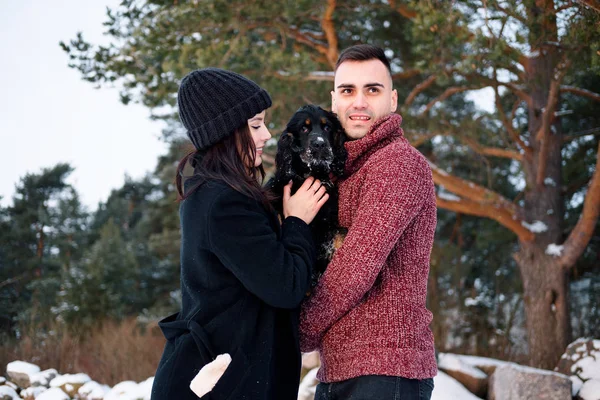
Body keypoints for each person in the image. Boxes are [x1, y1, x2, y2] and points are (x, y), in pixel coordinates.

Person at [150, 68, 329, 400]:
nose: (266, 135)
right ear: (225, 131)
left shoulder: (213, 193)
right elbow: (286, 286)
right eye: (256, 125)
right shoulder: (224, 203)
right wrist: (298, 222)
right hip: (220, 385)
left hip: (222, 379)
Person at [299, 44, 438, 399]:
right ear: (334, 100)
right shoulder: (345, 169)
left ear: (392, 100)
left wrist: (295, 331)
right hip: (341, 371)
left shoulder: (397, 164)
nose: (359, 102)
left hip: (386, 371)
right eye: (348, 90)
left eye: (372, 90)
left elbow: (355, 267)